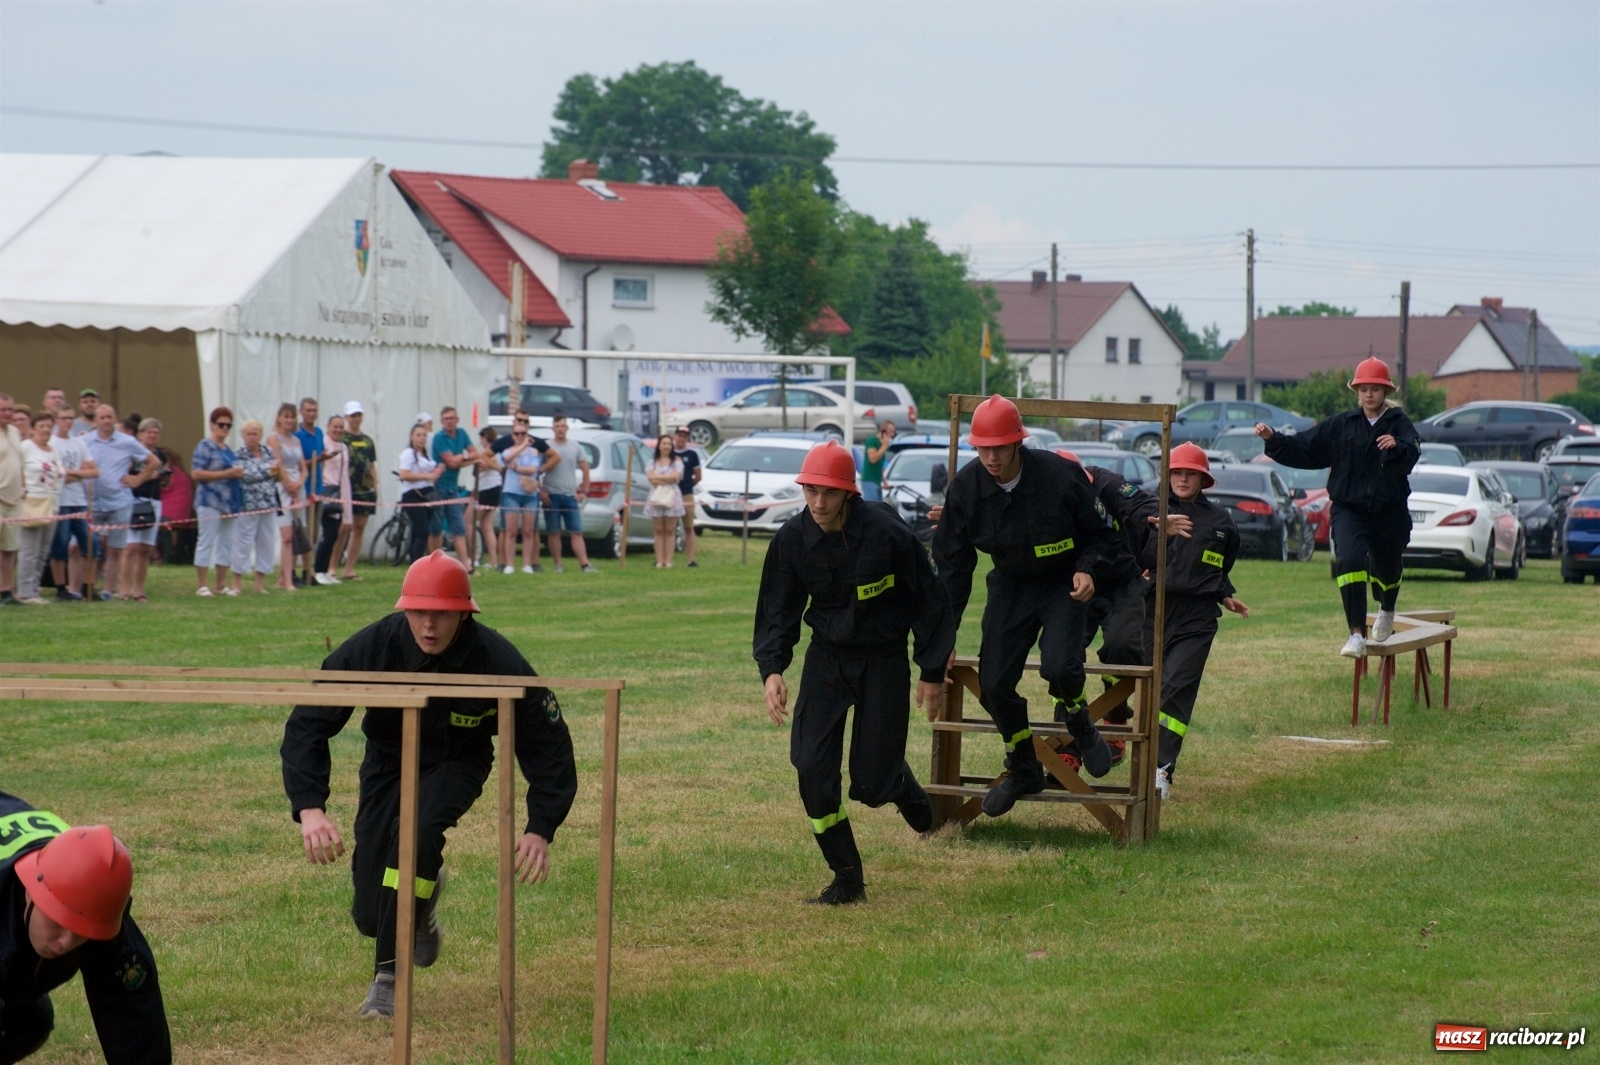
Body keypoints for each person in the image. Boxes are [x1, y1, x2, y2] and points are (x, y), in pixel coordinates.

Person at [279, 551, 579, 1018]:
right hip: (388, 761)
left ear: (464, 612)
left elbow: (548, 742)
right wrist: (309, 806)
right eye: (419, 612)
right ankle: (421, 898)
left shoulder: (497, 660)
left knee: (415, 837)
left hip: (457, 762)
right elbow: (307, 724)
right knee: (368, 912)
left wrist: (541, 824)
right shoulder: (374, 646)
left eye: (441, 613)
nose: (429, 625)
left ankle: (387, 981)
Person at [754, 441, 955, 904]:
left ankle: (897, 783)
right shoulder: (791, 540)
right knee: (810, 768)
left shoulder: (886, 533)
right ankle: (848, 879)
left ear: (849, 493)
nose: (818, 503)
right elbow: (777, 609)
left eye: (828, 493)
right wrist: (772, 670)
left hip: (883, 657)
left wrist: (930, 669)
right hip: (827, 659)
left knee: (870, 782)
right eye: (811, 492)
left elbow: (929, 598)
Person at [931, 395, 1121, 817]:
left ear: (1019, 443)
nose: (992, 457)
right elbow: (952, 569)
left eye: (999, 447)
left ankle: (1079, 721)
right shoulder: (965, 488)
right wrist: (941, 638)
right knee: (994, 683)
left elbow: (1105, 535)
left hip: (1063, 583)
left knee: (1059, 666)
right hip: (1011, 585)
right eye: (983, 448)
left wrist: (1089, 569)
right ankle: (1023, 766)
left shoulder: (1062, 476)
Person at [1256, 356, 1420, 656]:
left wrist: (1397, 447)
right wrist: (1273, 439)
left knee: (1388, 567)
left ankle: (1386, 607)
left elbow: (1412, 454)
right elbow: (1305, 446)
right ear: (1356, 392)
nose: (1368, 394)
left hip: (1389, 511)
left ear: (1386, 392)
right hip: (1349, 509)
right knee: (1349, 560)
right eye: (1363, 389)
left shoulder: (1400, 423)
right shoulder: (1341, 425)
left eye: (1374, 389)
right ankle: (1356, 633)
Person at [0, 791, 172, 1063]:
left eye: (82, 931)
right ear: (31, 891)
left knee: (29, 1022)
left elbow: (135, 1021)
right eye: (57, 921)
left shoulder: (96, 902)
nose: (65, 942)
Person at [1141, 443, 1250, 799]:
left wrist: (1223, 592)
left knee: (1176, 687)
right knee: (1147, 687)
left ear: (1204, 479)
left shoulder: (1221, 522)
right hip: (1152, 612)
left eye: (1190, 473)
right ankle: (1136, 755)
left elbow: (1219, 564)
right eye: (1176, 472)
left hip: (1198, 619)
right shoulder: (1148, 512)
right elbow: (1127, 551)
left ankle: (1162, 768)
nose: (1183, 478)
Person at [85, 404, 158, 602]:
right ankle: (88, 588)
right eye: (102, 417)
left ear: (114, 418)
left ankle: (109, 591)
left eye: (109, 417)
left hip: (119, 502)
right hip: (93, 502)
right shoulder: (84, 440)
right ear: (96, 420)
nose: (106, 421)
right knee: (89, 547)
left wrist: (138, 479)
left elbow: (153, 462)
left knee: (116, 549)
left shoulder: (127, 441)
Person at [191, 406, 242, 598]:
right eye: (221, 424)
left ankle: (221, 583)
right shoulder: (204, 446)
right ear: (212, 425)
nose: (225, 428)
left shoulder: (228, 449)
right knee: (206, 541)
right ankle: (202, 584)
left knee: (226, 543)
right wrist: (227, 473)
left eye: (228, 425)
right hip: (209, 501)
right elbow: (196, 473)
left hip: (229, 502)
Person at [14, 410, 64, 605]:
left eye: (49, 427)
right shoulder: (25, 447)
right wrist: (23, 489)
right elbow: (17, 469)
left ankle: (34, 587)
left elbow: (60, 471)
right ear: (32, 429)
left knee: (43, 549)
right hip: (31, 502)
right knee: (29, 549)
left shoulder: (52, 450)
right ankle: (25, 591)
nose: (45, 430)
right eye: (41, 426)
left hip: (50, 502)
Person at [47, 408, 96, 601]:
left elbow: (94, 471)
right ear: (56, 420)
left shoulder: (79, 443)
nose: (68, 421)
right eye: (64, 418)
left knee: (90, 545)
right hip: (60, 501)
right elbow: (54, 475)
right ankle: (61, 588)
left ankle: (88, 587)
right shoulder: (51, 443)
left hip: (79, 501)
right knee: (60, 546)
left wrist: (70, 473)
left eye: (70, 418)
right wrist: (77, 473)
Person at [494, 413, 552, 574]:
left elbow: (533, 469)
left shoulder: (534, 452)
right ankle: (510, 564)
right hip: (511, 492)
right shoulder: (508, 449)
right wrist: (522, 446)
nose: (520, 436)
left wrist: (517, 468)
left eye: (523, 434)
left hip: (529, 494)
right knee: (510, 531)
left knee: (528, 531)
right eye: (517, 433)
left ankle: (527, 564)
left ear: (527, 434)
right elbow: (506, 458)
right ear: (512, 435)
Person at [121, 418, 172, 604]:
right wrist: (149, 475)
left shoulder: (161, 455)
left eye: (156, 433)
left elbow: (163, 478)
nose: (152, 436)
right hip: (134, 499)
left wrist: (163, 477)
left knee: (145, 548)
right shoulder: (133, 454)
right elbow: (126, 476)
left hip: (154, 501)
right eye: (149, 432)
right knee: (130, 547)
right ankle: (124, 590)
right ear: (140, 434)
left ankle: (138, 591)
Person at [540, 415, 598, 574]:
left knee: (576, 531)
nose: (560, 429)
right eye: (557, 426)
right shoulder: (546, 447)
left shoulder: (575, 447)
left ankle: (585, 564)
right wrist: (541, 490)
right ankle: (558, 564)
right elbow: (537, 470)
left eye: (563, 426)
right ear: (553, 428)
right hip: (551, 494)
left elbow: (585, 467)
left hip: (569, 496)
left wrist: (584, 490)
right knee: (553, 532)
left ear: (567, 428)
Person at [234, 419, 282, 595]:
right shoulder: (238, 454)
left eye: (255, 434)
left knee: (266, 543)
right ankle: (236, 583)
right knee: (243, 542)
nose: (252, 437)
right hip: (248, 504)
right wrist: (267, 470)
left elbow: (276, 473)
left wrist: (271, 470)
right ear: (243, 436)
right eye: (248, 434)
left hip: (268, 503)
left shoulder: (268, 452)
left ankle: (259, 584)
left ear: (260, 435)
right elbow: (244, 474)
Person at [431, 407, 478, 569]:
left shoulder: (462, 433)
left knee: (459, 527)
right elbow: (451, 462)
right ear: (441, 421)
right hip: (438, 487)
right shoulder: (439, 438)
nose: (449, 421)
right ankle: (434, 564)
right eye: (446, 419)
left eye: (451, 418)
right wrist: (468, 459)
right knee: (436, 527)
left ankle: (466, 565)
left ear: (457, 419)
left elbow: (474, 453)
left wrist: (463, 457)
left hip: (453, 488)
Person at [269, 403, 308, 591]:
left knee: (294, 534)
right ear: (279, 417)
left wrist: (299, 482)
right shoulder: (273, 439)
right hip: (281, 489)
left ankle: (286, 576)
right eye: (286, 416)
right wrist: (289, 486)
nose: (289, 420)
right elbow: (278, 465)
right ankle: (286, 579)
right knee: (286, 535)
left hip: (297, 489)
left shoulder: (296, 441)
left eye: (292, 417)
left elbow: (304, 467)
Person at [339, 401, 378, 582]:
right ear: (347, 417)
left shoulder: (368, 440)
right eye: (353, 415)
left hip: (363, 489)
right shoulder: (342, 439)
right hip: (346, 488)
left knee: (359, 528)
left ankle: (349, 568)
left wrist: (375, 486)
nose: (356, 419)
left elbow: (371, 465)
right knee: (342, 527)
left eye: (358, 415)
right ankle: (332, 565)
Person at [313, 415, 352, 586]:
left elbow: (344, 476)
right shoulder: (323, 443)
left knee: (334, 534)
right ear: (328, 427)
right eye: (335, 426)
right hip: (325, 492)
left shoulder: (343, 447)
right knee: (327, 534)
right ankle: (318, 570)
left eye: (340, 427)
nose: (338, 430)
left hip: (338, 494)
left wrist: (346, 500)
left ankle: (327, 569)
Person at [397, 424, 443, 565]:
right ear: (412, 437)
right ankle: (416, 563)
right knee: (422, 531)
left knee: (418, 532)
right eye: (418, 435)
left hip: (427, 495)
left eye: (424, 435)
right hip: (413, 495)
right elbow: (404, 474)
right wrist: (426, 476)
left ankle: (415, 563)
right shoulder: (408, 454)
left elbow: (433, 474)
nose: (422, 438)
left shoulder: (426, 455)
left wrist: (438, 471)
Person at [293, 397, 325, 584]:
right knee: (300, 532)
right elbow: (299, 463)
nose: (312, 414)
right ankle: (294, 570)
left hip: (317, 488)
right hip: (302, 489)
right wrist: (318, 460)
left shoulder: (319, 433)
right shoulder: (297, 435)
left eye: (314, 410)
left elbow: (320, 457)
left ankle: (308, 570)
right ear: (301, 412)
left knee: (312, 534)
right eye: (308, 410)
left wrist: (321, 460)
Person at [644, 433, 684, 568]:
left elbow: (676, 476)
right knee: (658, 529)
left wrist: (660, 477)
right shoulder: (652, 462)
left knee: (670, 529)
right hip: (656, 496)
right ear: (659, 446)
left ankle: (668, 561)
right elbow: (651, 478)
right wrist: (668, 477)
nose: (666, 446)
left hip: (672, 497)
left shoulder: (677, 461)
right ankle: (659, 560)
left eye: (668, 444)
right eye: (663, 443)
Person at [471, 426, 502, 574]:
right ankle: (492, 560)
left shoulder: (489, 453)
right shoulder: (494, 453)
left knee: (471, 522)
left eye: (481, 439)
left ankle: (475, 557)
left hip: (488, 489)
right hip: (491, 488)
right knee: (486, 526)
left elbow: (489, 466)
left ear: (486, 438)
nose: (480, 442)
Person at [0, 394, 22, 606]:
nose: (7, 413)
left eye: (9, 410)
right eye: (2, 410)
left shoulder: (15, 432)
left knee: (10, 547)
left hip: (15, 498)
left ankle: (6, 590)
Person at [671, 425, 702, 567]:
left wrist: (688, 485)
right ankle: (667, 558)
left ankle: (690, 558)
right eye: (679, 435)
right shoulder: (669, 453)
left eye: (684, 436)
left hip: (686, 494)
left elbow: (698, 476)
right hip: (669, 494)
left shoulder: (692, 455)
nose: (681, 439)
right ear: (674, 436)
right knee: (669, 528)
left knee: (688, 527)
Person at [860, 419, 896, 502]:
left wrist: (885, 482)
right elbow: (872, 459)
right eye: (890, 431)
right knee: (872, 506)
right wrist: (884, 447)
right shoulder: (872, 441)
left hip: (877, 481)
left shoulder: (881, 445)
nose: (892, 434)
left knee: (879, 506)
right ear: (884, 431)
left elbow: (879, 467)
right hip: (869, 480)